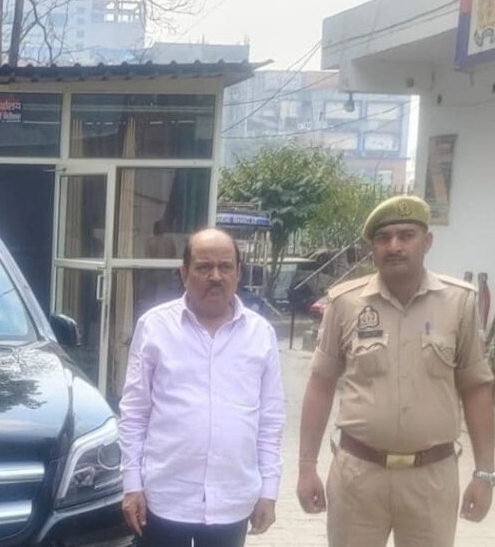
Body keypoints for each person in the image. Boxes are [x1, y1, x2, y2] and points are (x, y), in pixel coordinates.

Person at [297, 195, 494, 547]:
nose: (394, 246)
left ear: (427, 241)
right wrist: (306, 466)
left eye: (406, 235)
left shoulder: (459, 303)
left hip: (431, 479)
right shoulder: (345, 302)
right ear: (372, 247)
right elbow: (321, 384)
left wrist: (485, 473)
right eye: (383, 238)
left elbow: (476, 388)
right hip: (358, 476)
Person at [119, 228, 285, 547]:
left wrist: (269, 490)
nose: (216, 276)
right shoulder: (154, 327)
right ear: (184, 273)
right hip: (164, 498)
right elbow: (134, 413)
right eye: (204, 267)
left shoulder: (261, 334)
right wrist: (131, 485)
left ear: (238, 273)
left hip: (232, 500)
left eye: (225, 267)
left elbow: (271, 419)